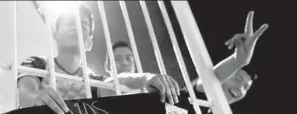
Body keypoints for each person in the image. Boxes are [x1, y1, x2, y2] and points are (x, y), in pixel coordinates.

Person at [18, 4, 182, 114]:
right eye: (69, 22)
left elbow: (117, 81)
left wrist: (146, 78)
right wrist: (36, 98)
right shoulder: (36, 63)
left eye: (82, 25)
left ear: (89, 43)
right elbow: (25, 94)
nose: (76, 26)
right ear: (54, 33)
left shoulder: (93, 80)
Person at [103, 11, 266, 106]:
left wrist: (240, 61)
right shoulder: (93, 83)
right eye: (117, 59)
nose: (124, 62)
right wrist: (237, 61)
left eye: (129, 58)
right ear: (107, 65)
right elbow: (211, 80)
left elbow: (210, 82)